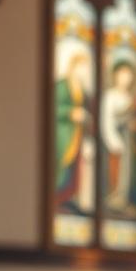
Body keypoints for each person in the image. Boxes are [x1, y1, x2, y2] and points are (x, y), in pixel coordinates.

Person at [100, 59, 136, 212]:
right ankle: (114, 199)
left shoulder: (130, 97)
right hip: (115, 140)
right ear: (115, 75)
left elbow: (131, 118)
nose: (125, 78)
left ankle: (126, 199)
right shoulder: (110, 96)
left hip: (129, 140)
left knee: (129, 173)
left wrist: (134, 123)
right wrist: (114, 142)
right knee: (115, 173)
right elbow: (106, 120)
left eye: (128, 75)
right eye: (122, 74)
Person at [54, 52, 93, 211]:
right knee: (60, 165)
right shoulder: (62, 85)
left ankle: (67, 198)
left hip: (77, 135)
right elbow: (54, 108)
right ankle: (56, 198)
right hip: (63, 133)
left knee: (74, 169)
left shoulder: (82, 90)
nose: (82, 71)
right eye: (80, 67)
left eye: (85, 68)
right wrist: (71, 113)